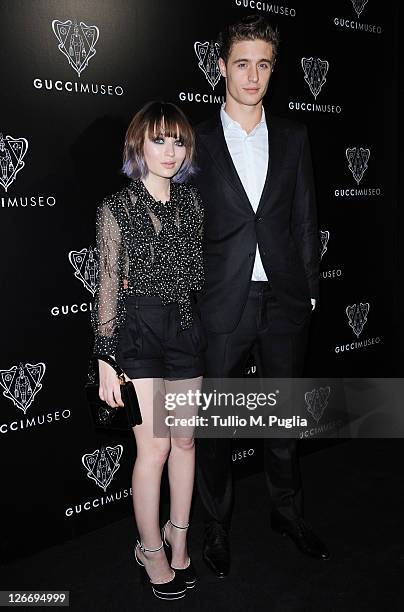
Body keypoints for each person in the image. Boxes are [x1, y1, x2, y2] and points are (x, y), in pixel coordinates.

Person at [193, 15, 330, 578]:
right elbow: (182, 226)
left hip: (284, 300)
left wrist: (311, 293)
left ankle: (286, 513)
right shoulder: (195, 141)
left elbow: (304, 216)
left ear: (274, 71)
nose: (253, 76)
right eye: (242, 63)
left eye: (264, 65)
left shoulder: (295, 137)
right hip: (221, 303)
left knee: (282, 421)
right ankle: (216, 526)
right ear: (221, 66)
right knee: (216, 429)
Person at [91, 101, 205, 600]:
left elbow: (197, 274)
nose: (170, 151)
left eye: (178, 141)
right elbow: (108, 285)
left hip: (184, 329)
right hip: (138, 332)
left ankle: (180, 537)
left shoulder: (193, 204)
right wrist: (104, 358)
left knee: (184, 442)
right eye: (159, 139)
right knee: (154, 447)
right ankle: (150, 548)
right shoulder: (115, 208)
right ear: (139, 143)